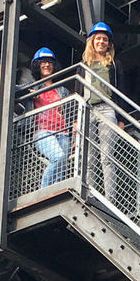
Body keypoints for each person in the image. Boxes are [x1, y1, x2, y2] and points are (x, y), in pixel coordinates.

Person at [80, 22, 120, 202]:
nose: (102, 42)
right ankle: (91, 194)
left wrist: (121, 119)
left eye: (105, 40)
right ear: (92, 41)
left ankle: (110, 198)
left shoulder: (114, 64)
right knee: (89, 157)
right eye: (98, 39)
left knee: (107, 156)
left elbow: (121, 90)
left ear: (109, 44)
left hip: (107, 108)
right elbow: (78, 89)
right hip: (88, 109)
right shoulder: (84, 65)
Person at [28, 48, 71, 187]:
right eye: (43, 62)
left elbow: (71, 111)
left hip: (63, 131)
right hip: (43, 131)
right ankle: (43, 192)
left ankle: (55, 195)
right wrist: (29, 93)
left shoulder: (62, 89)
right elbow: (13, 89)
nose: (47, 65)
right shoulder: (33, 86)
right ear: (38, 65)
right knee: (58, 157)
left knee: (61, 169)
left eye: (50, 62)